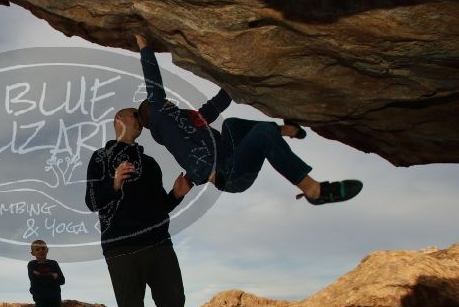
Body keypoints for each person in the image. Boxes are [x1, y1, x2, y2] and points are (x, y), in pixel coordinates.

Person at [134, 34, 362, 205]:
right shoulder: (164, 123)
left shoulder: (184, 120)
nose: (172, 102)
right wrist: (144, 47)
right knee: (261, 134)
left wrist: (232, 85)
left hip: (230, 156)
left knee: (230, 125)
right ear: (156, 110)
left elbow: (213, 108)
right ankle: (313, 190)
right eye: (165, 103)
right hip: (230, 175)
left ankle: (284, 131)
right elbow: (154, 87)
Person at [85, 102, 189, 307]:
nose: (140, 121)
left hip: (159, 243)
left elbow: (160, 206)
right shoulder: (100, 158)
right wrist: (114, 182)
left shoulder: (152, 163)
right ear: (119, 121)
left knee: (174, 302)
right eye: (134, 116)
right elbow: (91, 201)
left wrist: (176, 195)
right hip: (121, 248)